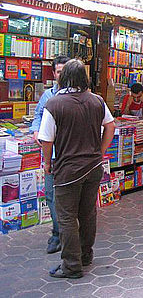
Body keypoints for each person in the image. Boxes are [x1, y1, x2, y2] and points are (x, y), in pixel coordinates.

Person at [38, 59, 115, 279]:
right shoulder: (97, 101)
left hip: (68, 170)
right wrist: (100, 151)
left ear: (63, 78)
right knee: (88, 213)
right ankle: (85, 255)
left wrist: (46, 162)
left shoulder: (54, 104)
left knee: (67, 217)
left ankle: (72, 265)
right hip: (93, 167)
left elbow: (46, 139)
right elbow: (110, 126)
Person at [30, 55, 70, 254]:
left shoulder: (76, 96)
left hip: (70, 155)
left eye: (65, 71)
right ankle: (58, 233)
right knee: (51, 195)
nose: (61, 75)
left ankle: (66, 234)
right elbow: (38, 115)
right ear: (53, 74)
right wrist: (36, 130)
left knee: (69, 198)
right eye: (58, 72)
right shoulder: (47, 96)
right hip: (51, 155)